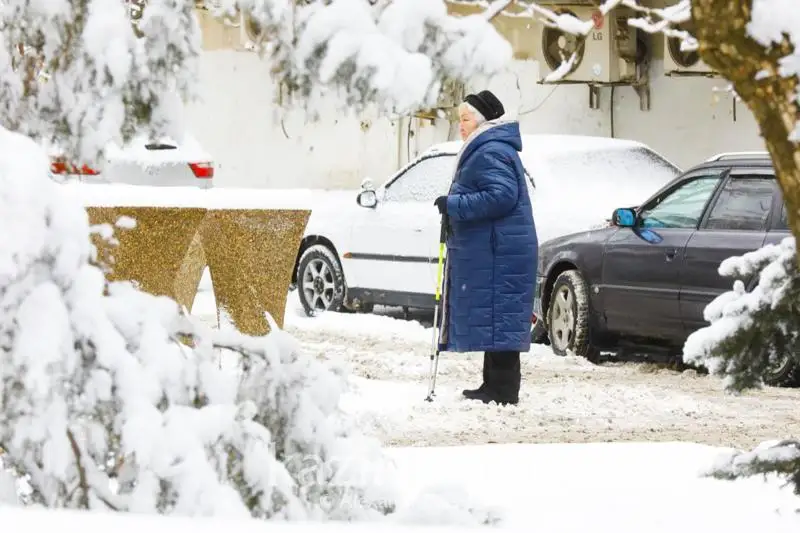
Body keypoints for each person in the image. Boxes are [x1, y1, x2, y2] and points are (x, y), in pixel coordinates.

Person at [433, 89, 538, 406]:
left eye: (465, 119)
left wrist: (455, 205)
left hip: (501, 252)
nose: (460, 125)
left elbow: (501, 196)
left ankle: (503, 390)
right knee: (496, 318)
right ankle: (493, 385)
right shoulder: (489, 147)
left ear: (481, 122)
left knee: (501, 318)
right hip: (499, 250)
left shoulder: (490, 150)